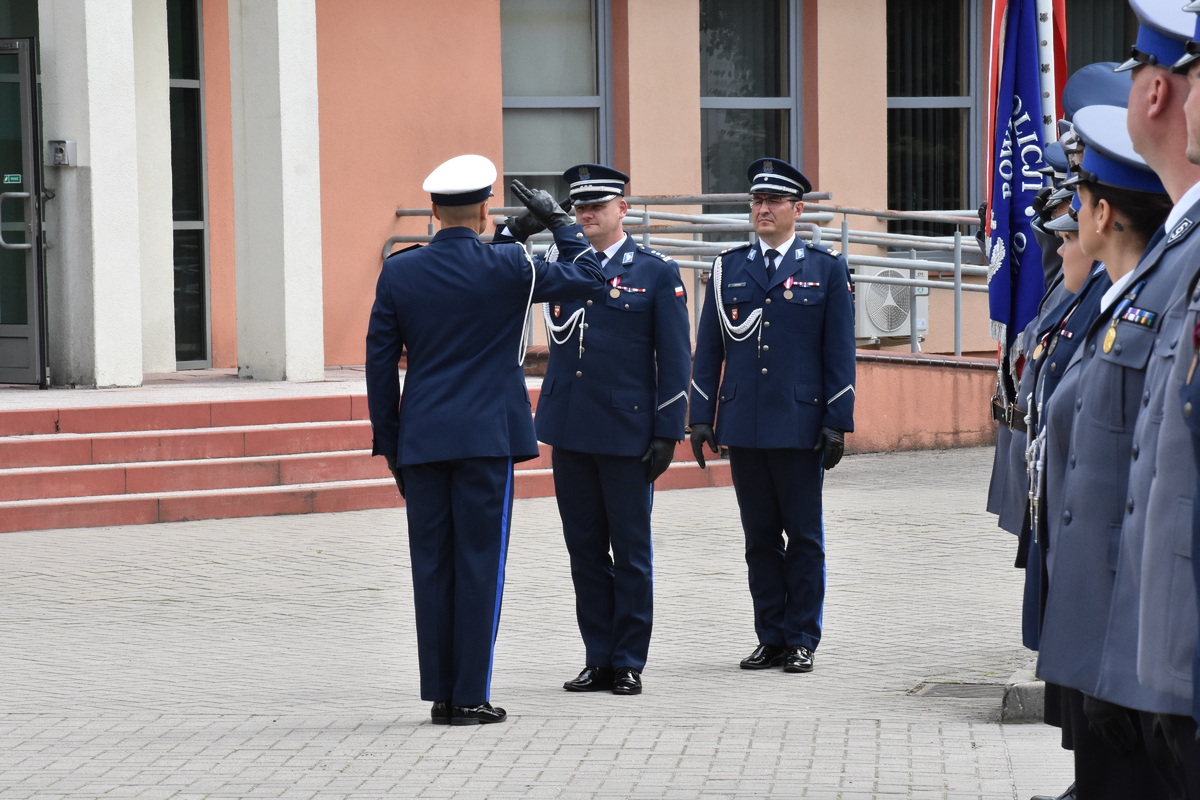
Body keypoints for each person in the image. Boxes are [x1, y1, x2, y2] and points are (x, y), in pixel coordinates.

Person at [365, 154, 604, 726]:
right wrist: (559, 223)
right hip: (486, 440)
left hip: (422, 439)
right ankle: (470, 695)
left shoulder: (400, 271)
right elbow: (592, 279)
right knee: (478, 564)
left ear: (432, 211)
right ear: (483, 211)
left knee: (432, 567)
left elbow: (379, 365)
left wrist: (392, 445)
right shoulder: (510, 266)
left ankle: (441, 695)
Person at [503, 164, 691, 696]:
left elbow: (675, 357)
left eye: (597, 205)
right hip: (571, 428)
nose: (586, 214)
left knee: (630, 553)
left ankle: (628, 660)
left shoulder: (655, 271)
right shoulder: (558, 263)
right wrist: (517, 230)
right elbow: (498, 271)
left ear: (622, 209)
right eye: (579, 206)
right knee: (584, 551)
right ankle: (597, 656)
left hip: (628, 430)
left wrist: (668, 429)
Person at [1036, 102, 1176, 799]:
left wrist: (1116, 660)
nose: (1070, 213)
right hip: (1094, 620)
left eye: (1080, 197)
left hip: (1123, 640)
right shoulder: (1116, 304)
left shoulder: (1147, 305)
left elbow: (1144, 496)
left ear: (1103, 215)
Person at [688, 157, 855, 674]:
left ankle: (802, 637)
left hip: (800, 424)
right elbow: (708, 348)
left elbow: (839, 353)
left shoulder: (824, 269)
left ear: (797, 210)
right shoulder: (728, 267)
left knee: (803, 537)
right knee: (759, 538)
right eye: (757, 201)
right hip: (744, 423)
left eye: (774, 201)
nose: (763, 209)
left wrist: (836, 420)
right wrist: (700, 415)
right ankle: (771, 635)